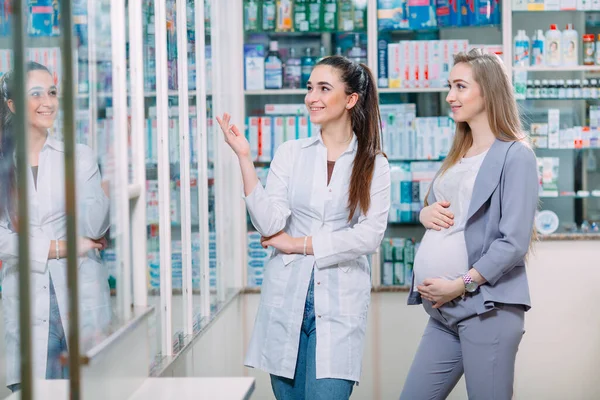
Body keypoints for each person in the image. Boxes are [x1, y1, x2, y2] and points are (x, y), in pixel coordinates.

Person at [217, 56, 390, 400]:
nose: (312, 97)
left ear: (351, 99)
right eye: (310, 88)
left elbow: (369, 236)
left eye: (324, 88)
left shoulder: (373, 164)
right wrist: (244, 157)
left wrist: (299, 244)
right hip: (287, 299)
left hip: (339, 302)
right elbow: (269, 223)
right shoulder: (291, 153)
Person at [399, 49, 539, 399]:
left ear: (488, 92)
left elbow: (513, 241)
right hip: (444, 313)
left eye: (460, 86)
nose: (450, 96)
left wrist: (461, 284)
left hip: (486, 309)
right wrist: (423, 213)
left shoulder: (515, 154)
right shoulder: (460, 151)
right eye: (450, 86)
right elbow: (445, 210)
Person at [0, 62, 111, 392]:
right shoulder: (4, 164)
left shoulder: (78, 155)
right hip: (27, 297)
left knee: (89, 389)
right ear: (13, 105)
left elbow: (94, 226)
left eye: (51, 92)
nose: (47, 102)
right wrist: (60, 247)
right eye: (36, 94)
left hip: (82, 294)